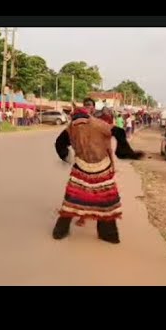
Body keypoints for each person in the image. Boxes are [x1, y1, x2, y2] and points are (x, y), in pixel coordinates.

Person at [52, 98, 144, 244]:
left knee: (72, 201)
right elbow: (119, 132)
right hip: (97, 168)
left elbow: (59, 143)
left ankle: (61, 231)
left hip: (86, 167)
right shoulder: (94, 124)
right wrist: (125, 151)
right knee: (104, 202)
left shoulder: (74, 127)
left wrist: (64, 155)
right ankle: (107, 234)